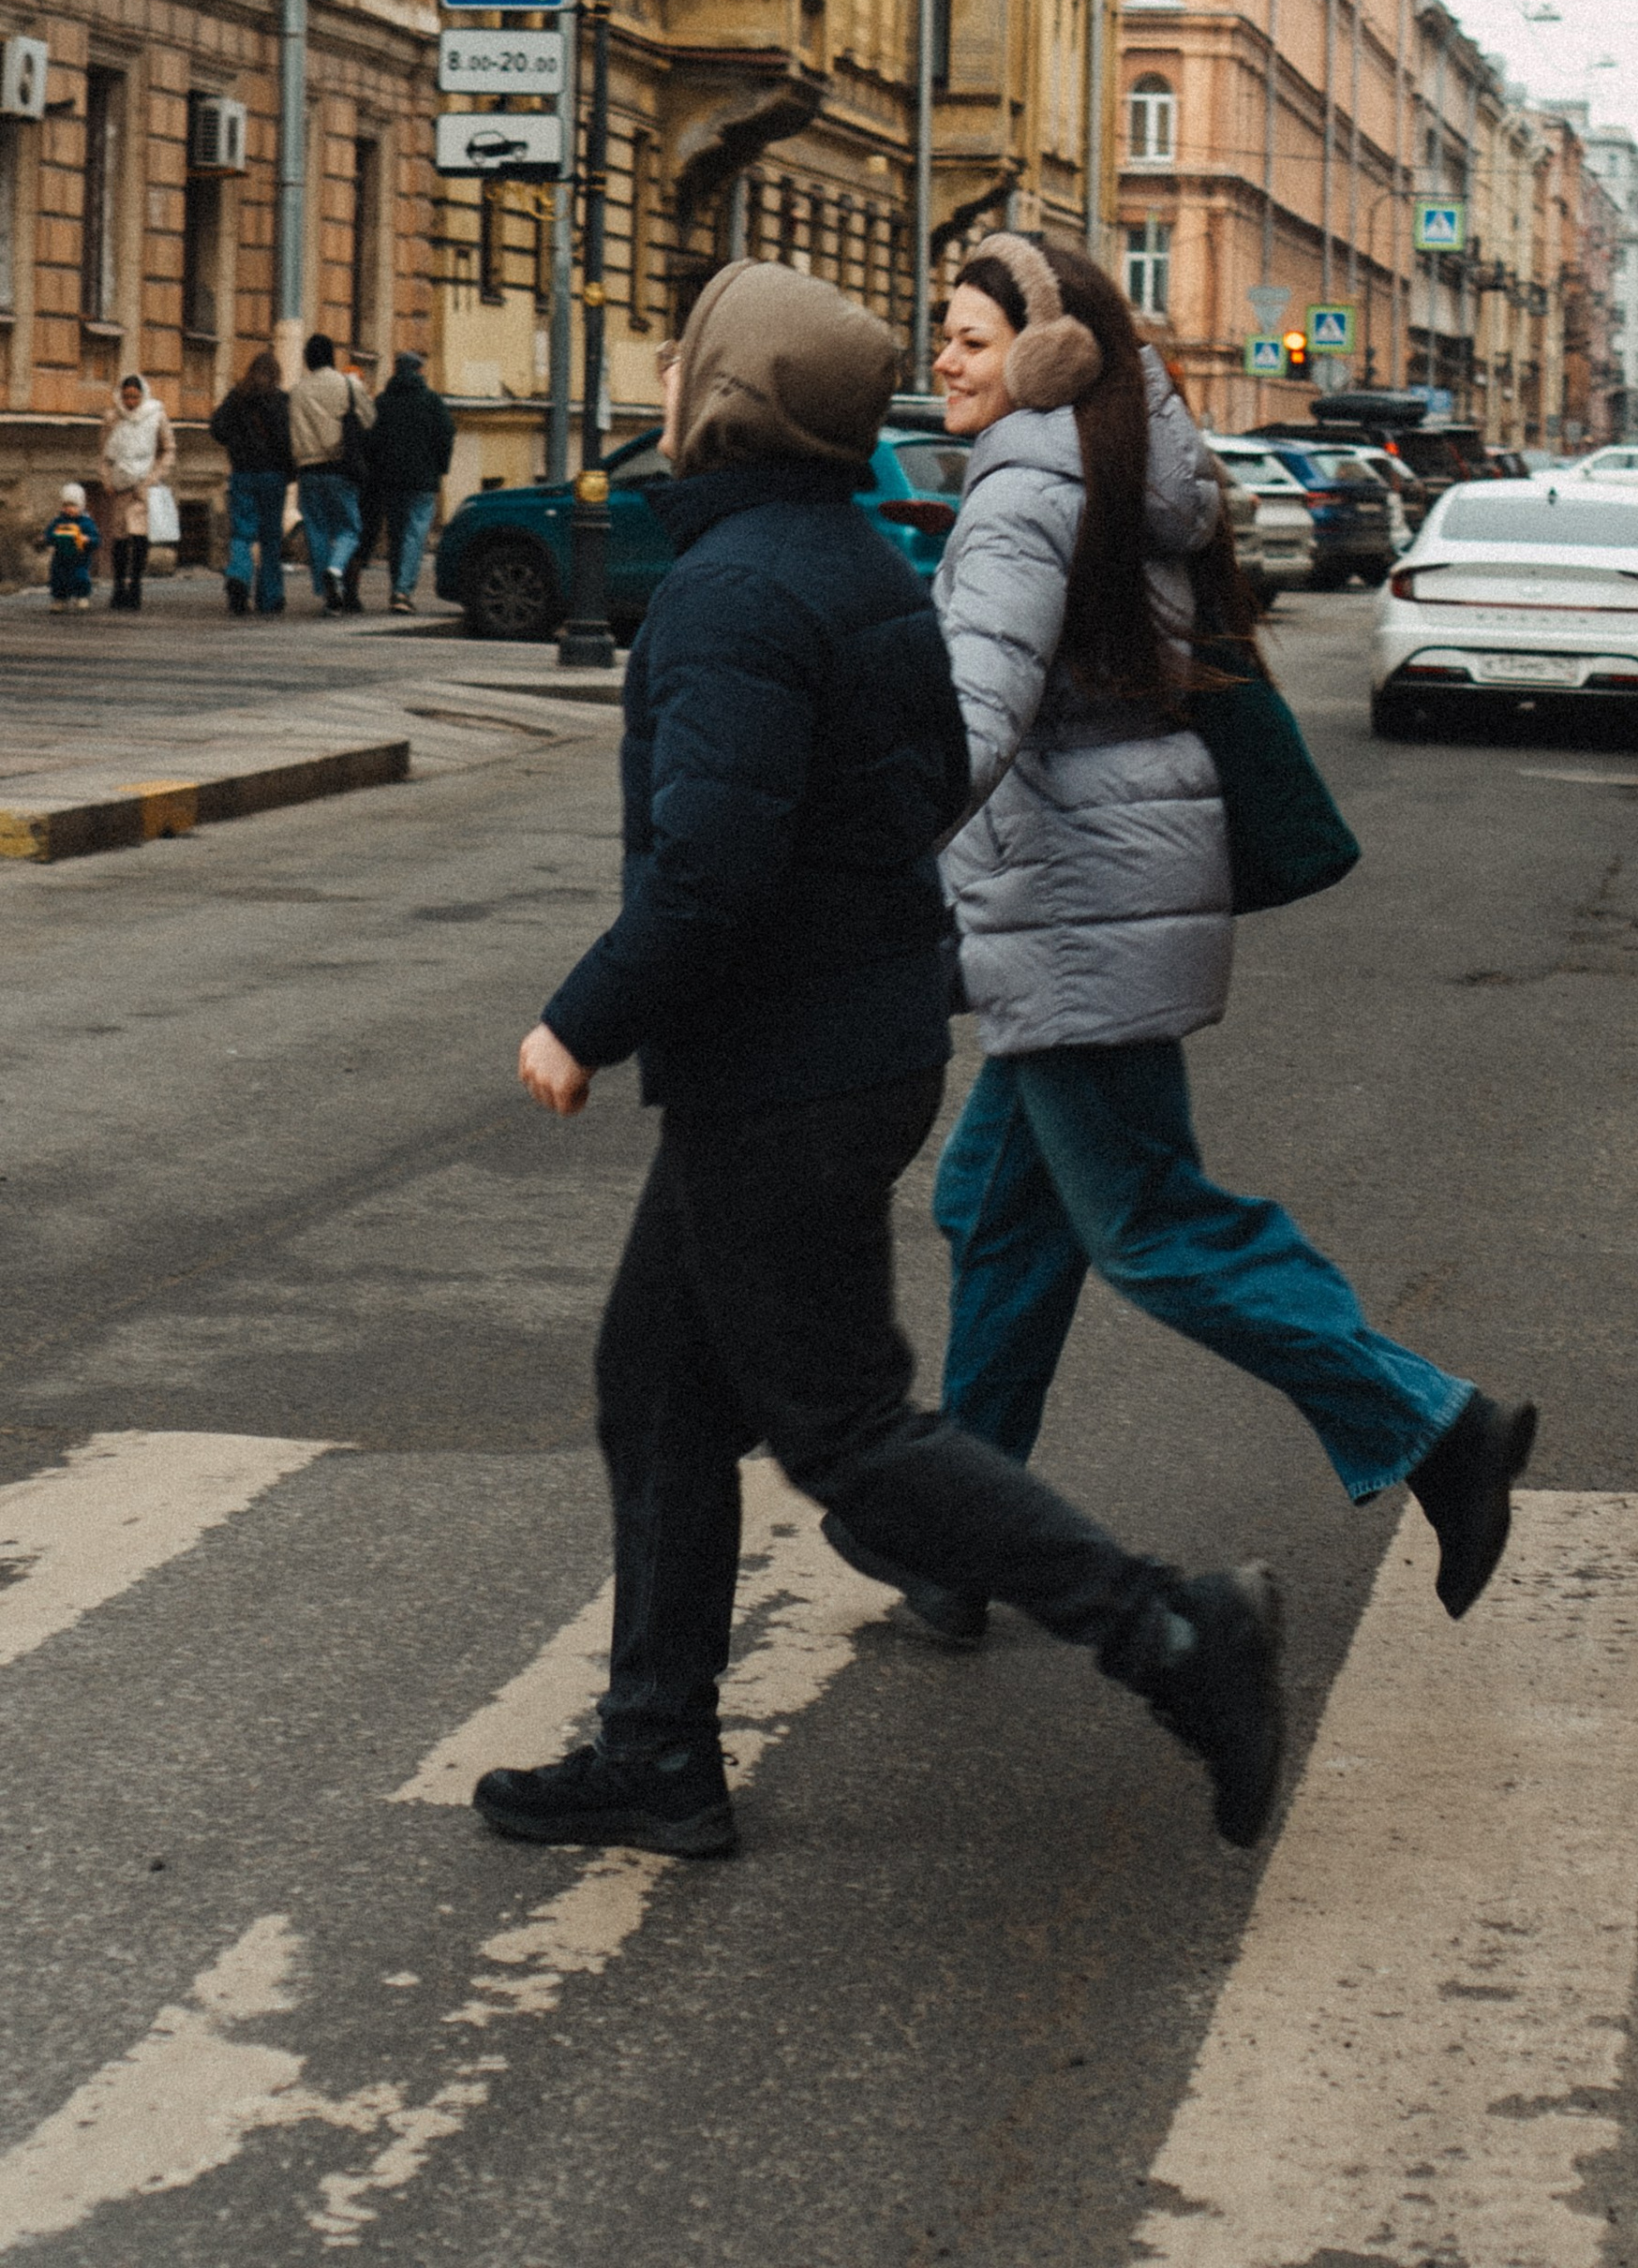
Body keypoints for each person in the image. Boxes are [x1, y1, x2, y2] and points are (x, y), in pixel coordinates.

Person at [485, 260, 1286, 1864]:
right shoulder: (853, 561)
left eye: (686, 353)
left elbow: (708, 872)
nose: (664, 374)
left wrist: (582, 1017)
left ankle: (1172, 1633)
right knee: (656, 1392)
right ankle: (656, 1747)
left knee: (848, 1431)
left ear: (735, 394)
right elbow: (919, 784)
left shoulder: (731, 595)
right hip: (837, 1047)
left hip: (783, 1073)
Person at [840, 231, 1532, 1654]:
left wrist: (861, 857)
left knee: (1152, 1225)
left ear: (1049, 356)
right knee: (1003, 1216)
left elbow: (979, 707)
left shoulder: (1028, 482)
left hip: (1081, 912)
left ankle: (1436, 1425)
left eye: (971, 339)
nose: (945, 361)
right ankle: (963, 1543)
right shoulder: (1100, 462)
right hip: (1093, 898)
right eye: (945, 336)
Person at [287, 333, 374, 614]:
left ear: (307, 360)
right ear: (332, 356)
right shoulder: (347, 385)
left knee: (316, 530)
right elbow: (370, 419)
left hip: (308, 470)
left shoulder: (297, 390)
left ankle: (328, 596)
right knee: (350, 528)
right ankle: (336, 570)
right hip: (340, 466)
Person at [366, 351, 455, 613]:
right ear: (419, 371)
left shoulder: (382, 402)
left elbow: (372, 440)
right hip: (423, 481)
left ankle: (397, 586)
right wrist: (440, 467)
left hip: (390, 480)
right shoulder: (431, 401)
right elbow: (447, 434)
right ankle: (402, 591)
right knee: (415, 535)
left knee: (396, 535)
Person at [210, 352, 294, 615]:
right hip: (272, 475)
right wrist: (290, 469)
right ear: (276, 374)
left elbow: (217, 428)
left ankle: (238, 574)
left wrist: (236, 445)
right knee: (270, 537)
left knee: (242, 532)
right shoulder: (280, 401)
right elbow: (286, 441)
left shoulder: (237, 398)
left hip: (243, 474)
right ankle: (270, 598)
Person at [97, 372, 174, 613]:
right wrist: (106, 480)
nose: (131, 402)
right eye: (126, 396)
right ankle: (119, 586)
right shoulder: (113, 418)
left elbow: (168, 449)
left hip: (143, 486)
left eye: (135, 397)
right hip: (120, 485)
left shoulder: (156, 415)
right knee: (119, 538)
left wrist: (154, 477)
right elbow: (104, 453)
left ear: (143, 395)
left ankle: (136, 586)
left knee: (139, 537)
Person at [39, 483, 99, 609]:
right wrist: (48, 538)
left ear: (81, 506)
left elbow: (96, 539)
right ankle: (60, 599)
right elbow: (50, 533)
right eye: (65, 506)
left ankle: (81, 596)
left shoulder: (86, 522)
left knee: (80, 576)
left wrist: (87, 539)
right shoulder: (59, 521)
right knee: (58, 578)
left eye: (73, 506)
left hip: (79, 557)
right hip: (61, 557)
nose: (69, 509)